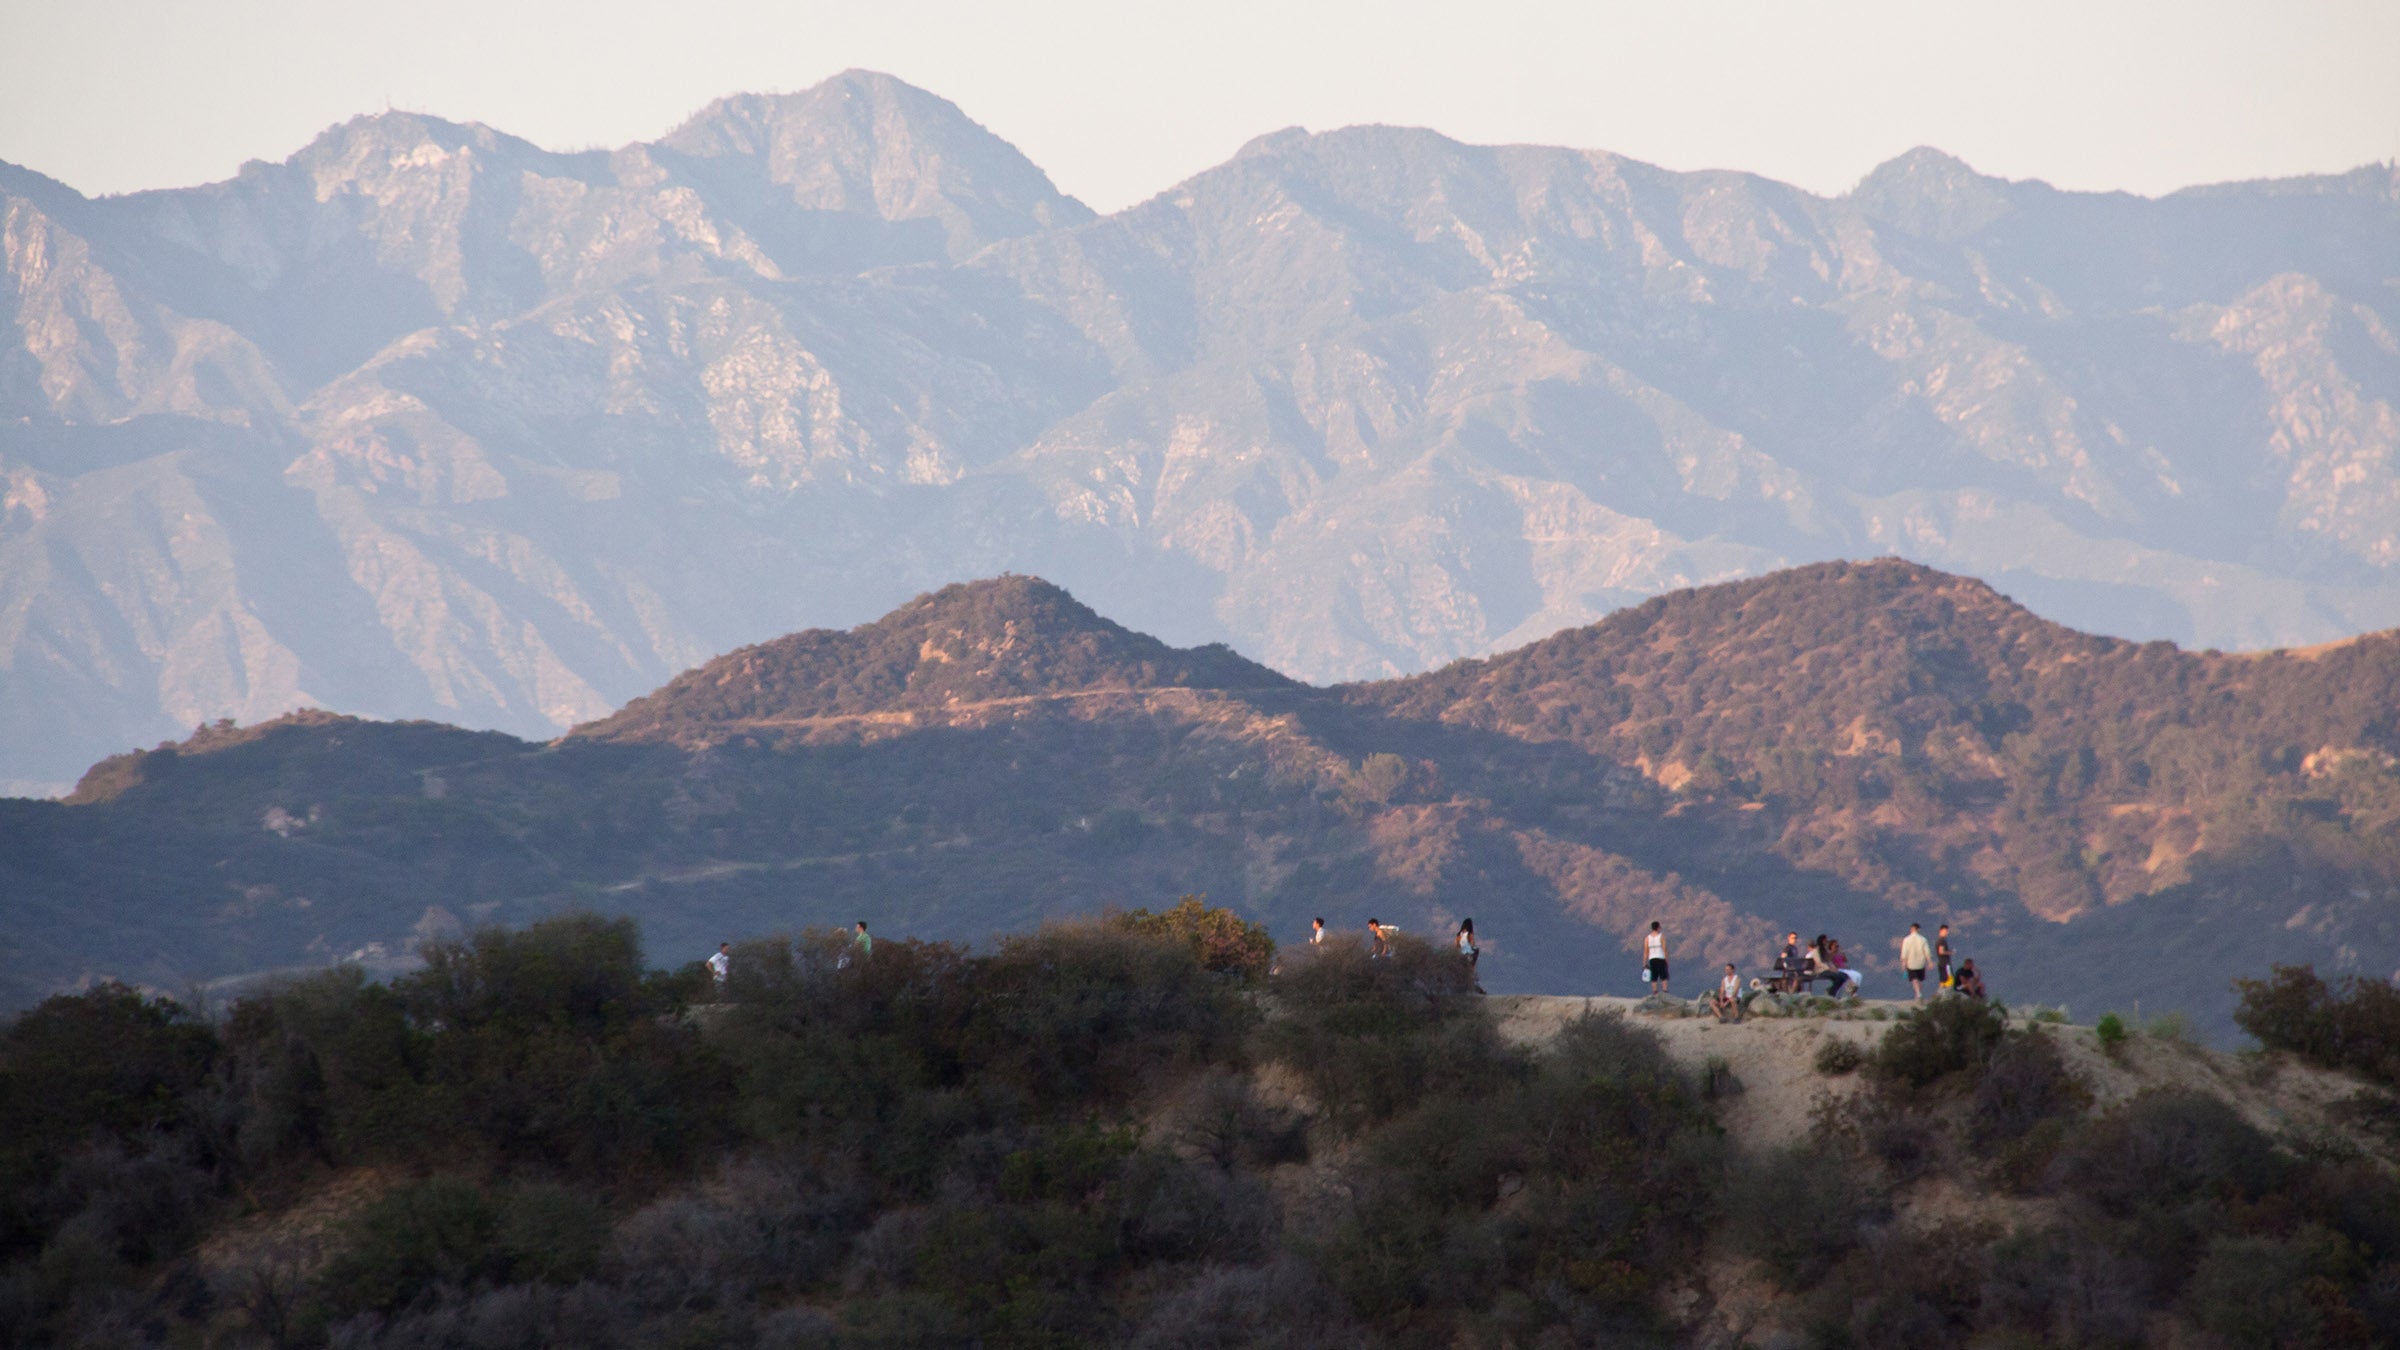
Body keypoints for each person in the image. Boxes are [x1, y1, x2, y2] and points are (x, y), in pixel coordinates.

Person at [1900, 923, 1931, 1001]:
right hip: (1921, 963)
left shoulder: (1906, 940)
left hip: (1911, 963)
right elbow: (1927, 952)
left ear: (1911, 929)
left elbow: (1904, 952)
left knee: (1914, 979)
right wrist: (1929, 961)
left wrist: (1903, 963)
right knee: (1919, 979)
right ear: (1918, 930)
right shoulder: (1923, 939)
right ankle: (1918, 994)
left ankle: (1918, 994)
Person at [1455, 918, 1482, 992]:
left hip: (1461, 954)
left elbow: (1457, 945)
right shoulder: (1470, 934)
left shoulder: (1459, 935)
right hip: (1469, 954)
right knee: (1470, 971)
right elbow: (1472, 944)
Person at [1644, 921, 1669, 995]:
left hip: (1652, 959)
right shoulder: (1661, 937)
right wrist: (1667, 960)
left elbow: (1646, 952)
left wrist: (1644, 963)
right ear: (1658, 928)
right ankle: (1665, 991)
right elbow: (1664, 949)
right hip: (1661, 958)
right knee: (1663, 976)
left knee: (1654, 976)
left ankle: (1655, 991)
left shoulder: (1647, 938)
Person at [1935, 924, 1955, 992]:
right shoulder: (1941, 941)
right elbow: (1941, 951)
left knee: (1943, 980)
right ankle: (1947, 994)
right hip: (1945, 963)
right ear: (1941, 931)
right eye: (1945, 931)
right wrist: (1950, 953)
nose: (1947, 933)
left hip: (1941, 963)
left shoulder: (1939, 941)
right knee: (1950, 979)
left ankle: (1939, 994)